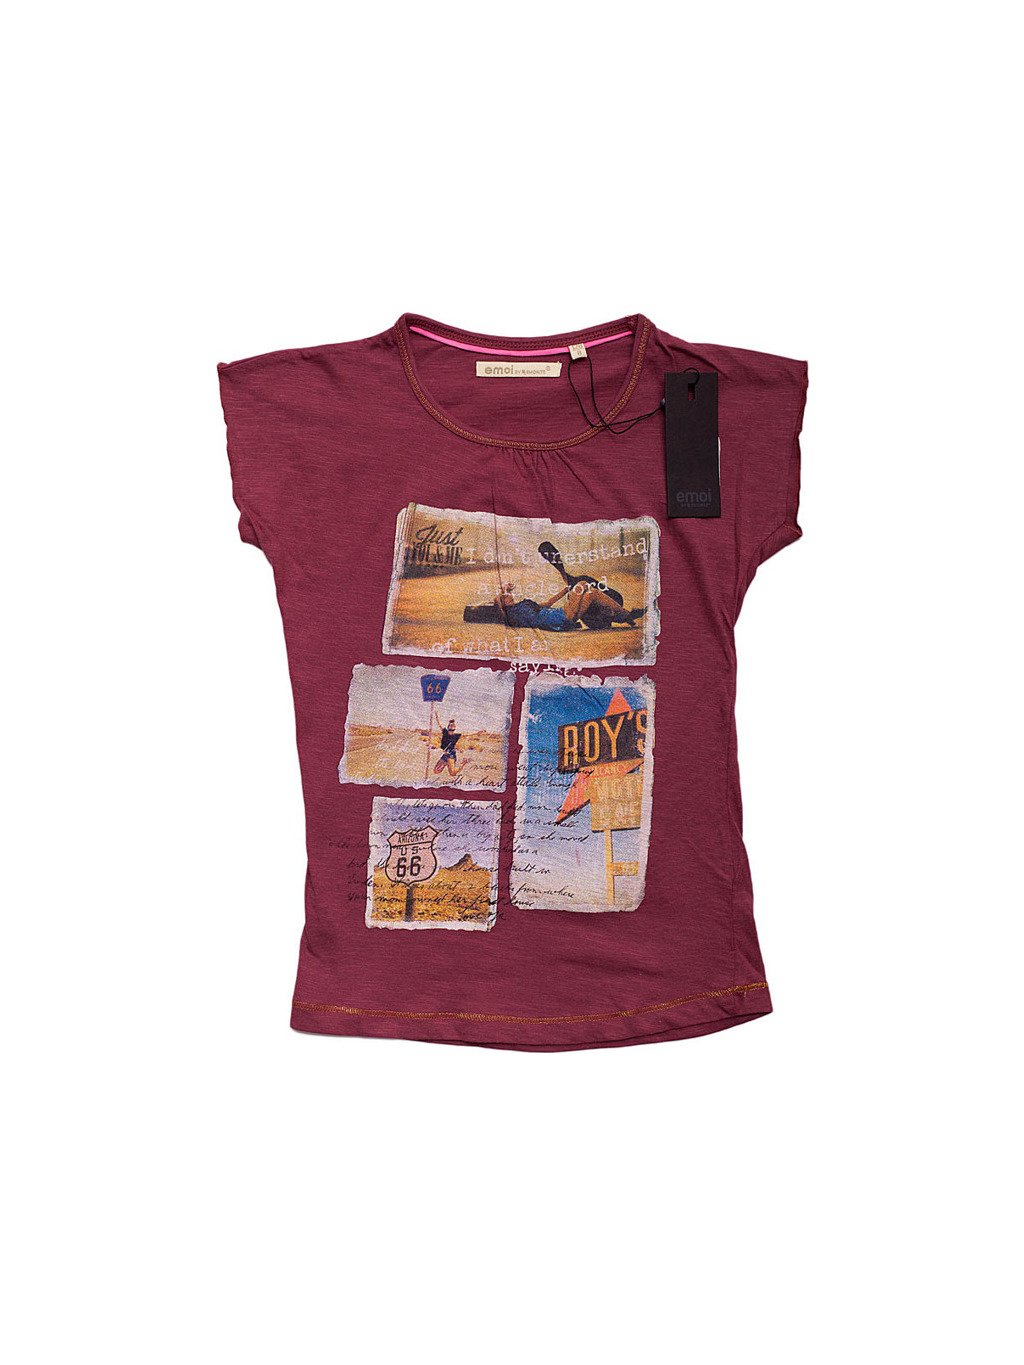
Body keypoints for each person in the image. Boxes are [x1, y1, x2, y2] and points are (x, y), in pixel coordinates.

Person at [495, 581, 646, 632]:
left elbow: (548, 603)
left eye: (508, 594)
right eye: (505, 597)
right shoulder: (510, 614)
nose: (509, 596)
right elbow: (498, 604)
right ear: (503, 604)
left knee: (591, 593)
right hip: (557, 619)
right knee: (582, 585)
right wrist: (503, 590)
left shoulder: (523, 604)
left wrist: (565, 590)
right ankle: (623, 616)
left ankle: (625, 616)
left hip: (558, 614)